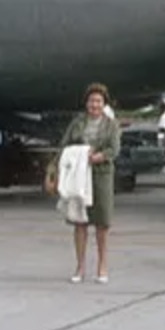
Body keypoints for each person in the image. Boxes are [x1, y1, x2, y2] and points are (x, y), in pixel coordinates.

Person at [55, 83, 120, 283]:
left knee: (102, 222)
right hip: (79, 174)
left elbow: (114, 149)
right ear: (86, 103)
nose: (95, 105)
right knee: (80, 221)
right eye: (92, 101)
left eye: (99, 101)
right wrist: (56, 168)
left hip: (101, 175)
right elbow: (64, 145)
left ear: (104, 104)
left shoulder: (111, 125)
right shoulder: (77, 123)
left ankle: (102, 266)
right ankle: (80, 266)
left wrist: (99, 156)